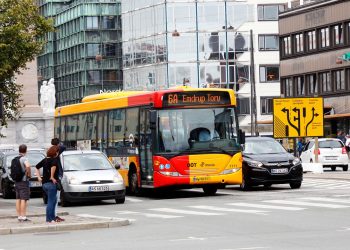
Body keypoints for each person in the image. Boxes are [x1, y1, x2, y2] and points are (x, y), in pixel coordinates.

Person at [36, 146, 60, 223]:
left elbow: (37, 167)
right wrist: (52, 177)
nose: (58, 153)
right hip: (51, 184)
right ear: (55, 152)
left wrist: (39, 177)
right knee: (51, 201)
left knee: (54, 200)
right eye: (57, 151)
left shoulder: (45, 160)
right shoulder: (54, 160)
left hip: (44, 184)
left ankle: (52, 218)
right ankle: (49, 219)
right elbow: (53, 167)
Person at [15, 144, 32, 222]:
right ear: (26, 150)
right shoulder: (24, 158)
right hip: (23, 181)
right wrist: (29, 174)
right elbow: (28, 166)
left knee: (18, 198)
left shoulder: (15, 158)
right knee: (23, 199)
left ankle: (19, 216)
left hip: (17, 181)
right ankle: (23, 216)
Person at [51, 138, 66, 222]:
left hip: (51, 178)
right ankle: (54, 215)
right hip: (56, 178)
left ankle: (53, 215)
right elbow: (64, 147)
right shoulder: (56, 151)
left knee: (53, 198)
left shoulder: (49, 153)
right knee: (56, 198)